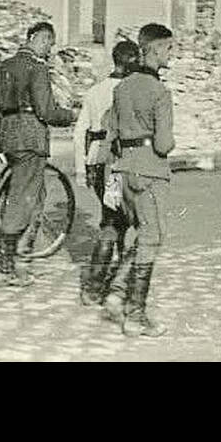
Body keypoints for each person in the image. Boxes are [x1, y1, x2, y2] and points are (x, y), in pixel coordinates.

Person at [0, 21, 74, 287]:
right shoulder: (37, 68)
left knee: (31, 197)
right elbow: (46, 111)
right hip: (30, 136)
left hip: (8, 133)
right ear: (36, 38)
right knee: (23, 199)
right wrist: (69, 116)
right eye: (48, 41)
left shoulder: (4, 66)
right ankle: (4, 267)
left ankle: (21, 259)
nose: (50, 48)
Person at [109, 23, 176, 337]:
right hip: (150, 172)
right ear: (156, 49)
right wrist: (170, 142)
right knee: (151, 239)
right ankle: (135, 315)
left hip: (123, 170)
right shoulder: (160, 91)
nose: (170, 54)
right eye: (169, 48)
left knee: (141, 234)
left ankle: (117, 291)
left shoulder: (121, 87)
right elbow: (163, 144)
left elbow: (111, 133)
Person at [76, 39, 140, 307]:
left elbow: (81, 131)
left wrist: (83, 169)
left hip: (99, 163)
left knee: (110, 218)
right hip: (121, 162)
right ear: (132, 62)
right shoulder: (131, 91)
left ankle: (95, 285)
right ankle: (115, 284)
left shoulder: (95, 91)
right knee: (125, 223)